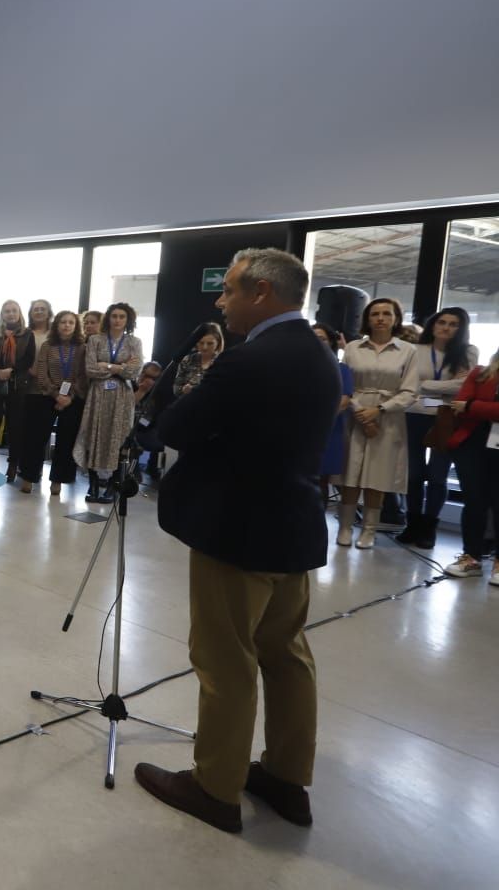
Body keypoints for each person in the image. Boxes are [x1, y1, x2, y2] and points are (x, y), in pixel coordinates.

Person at [135, 248, 340, 835]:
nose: (219, 302)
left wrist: (174, 402)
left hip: (238, 530)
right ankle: (285, 777)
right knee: (287, 655)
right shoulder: (318, 355)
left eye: (227, 291)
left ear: (260, 293)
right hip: (293, 526)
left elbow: (175, 427)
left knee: (225, 661)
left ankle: (214, 787)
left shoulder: (249, 360)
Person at [333, 297, 417, 549]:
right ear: (367, 319)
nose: (380, 318)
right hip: (353, 413)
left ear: (395, 319)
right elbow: (344, 384)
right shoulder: (353, 348)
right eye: (375, 314)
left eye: (386, 314)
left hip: (388, 418)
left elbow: (410, 391)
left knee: (378, 476)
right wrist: (360, 412)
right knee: (350, 473)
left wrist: (379, 410)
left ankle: (369, 530)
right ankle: (345, 527)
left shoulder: (408, 351)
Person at [398, 307, 477, 547]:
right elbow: (407, 384)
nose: (447, 327)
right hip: (415, 414)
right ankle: (412, 525)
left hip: (446, 417)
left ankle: (429, 527)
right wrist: (443, 387)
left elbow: (464, 386)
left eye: (454, 324)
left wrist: (426, 385)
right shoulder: (414, 350)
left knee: (437, 476)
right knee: (413, 475)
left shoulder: (468, 351)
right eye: (442, 322)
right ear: (433, 325)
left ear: (461, 329)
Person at [73, 303, 143, 504]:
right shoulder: (95, 340)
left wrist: (109, 366)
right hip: (98, 395)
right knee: (95, 434)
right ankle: (93, 484)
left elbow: (134, 371)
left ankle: (113, 484)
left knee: (118, 437)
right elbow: (90, 369)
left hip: (122, 396)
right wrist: (121, 367)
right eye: (114, 316)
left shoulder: (134, 342)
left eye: (122, 316)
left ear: (128, 320)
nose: (118, 320)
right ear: (108, 318)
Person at [15, 311, 88, 496]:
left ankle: (58, 480)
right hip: (47, 396)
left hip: (73, 399)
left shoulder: (82, 347)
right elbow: (41, 372)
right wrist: (56, 395)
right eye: (63, 322)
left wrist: (69, 396)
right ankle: (29, 477)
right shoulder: (48, 345)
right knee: (36, 438)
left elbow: (83, 375)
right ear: (56, 325)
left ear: (76, 325)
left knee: (66, 440)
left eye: (71, 322)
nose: (66, 325)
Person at [443, 349, 499, 582]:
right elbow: (460, 404)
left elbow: (468, 406)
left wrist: (473, 406)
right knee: (474, 502)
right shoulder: (480, 374)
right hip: (473, 444)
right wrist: (470, 406)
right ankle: (471, 557)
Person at [0, 300, 34, 479]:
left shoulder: (28, 335)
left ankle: (12, 465)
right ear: (2, 314)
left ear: (19, 313)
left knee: (15, 427)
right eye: (7, 311)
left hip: (17, 386)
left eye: (14, 311)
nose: (11, 314)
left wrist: (11, 371)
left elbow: (28, 359)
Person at [313, 324, 354, 495]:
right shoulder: (294, 365)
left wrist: (316, 421)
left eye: (321, 338)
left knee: (321, 482)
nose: (316, 341)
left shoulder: (342, 369)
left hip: (328, 430)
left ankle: (316, 521)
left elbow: (344, 401)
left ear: (331, 342)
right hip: (298, 430)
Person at [173, 323, 225, 397]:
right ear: (196, 343)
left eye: (210, 343)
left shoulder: (223, 362)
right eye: (201, 343)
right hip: (188, 405)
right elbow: (176, 389)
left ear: (218, 343)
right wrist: (183, 390)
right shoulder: (187, 360)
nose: (205, 347)